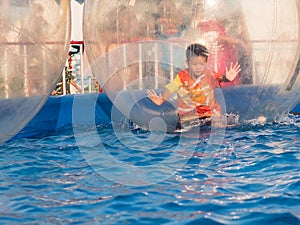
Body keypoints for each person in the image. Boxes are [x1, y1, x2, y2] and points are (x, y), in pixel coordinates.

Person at [147, 43, 241, 127]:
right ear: (187, 62)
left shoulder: (209, 75)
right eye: (194, 64)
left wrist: (227, 78)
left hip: (208, 115)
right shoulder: (182, 76)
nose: (198, 67)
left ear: (206, 62)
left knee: (216, 124)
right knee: (178, 129)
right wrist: (162, 99)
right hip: (189, 116)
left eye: (201, 64)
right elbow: (172, 87)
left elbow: (220, 78)